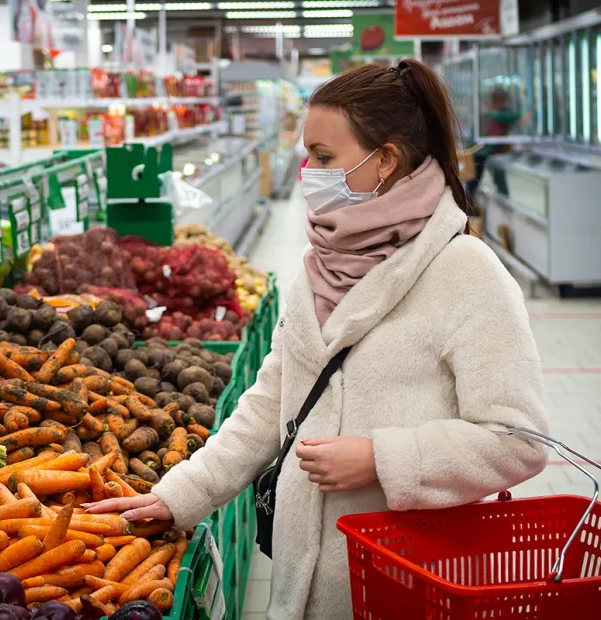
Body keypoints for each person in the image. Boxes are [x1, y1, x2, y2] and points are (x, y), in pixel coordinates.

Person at [87, 59, 549, 619]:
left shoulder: (467, 273)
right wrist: (181, 495)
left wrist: (384, 459)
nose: (308, 170)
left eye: (325, 157)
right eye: (308, 154)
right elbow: (269, 403)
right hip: (304, 577)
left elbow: (518, 439)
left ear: (386, 160)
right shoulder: (318, 267)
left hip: (411, 582)